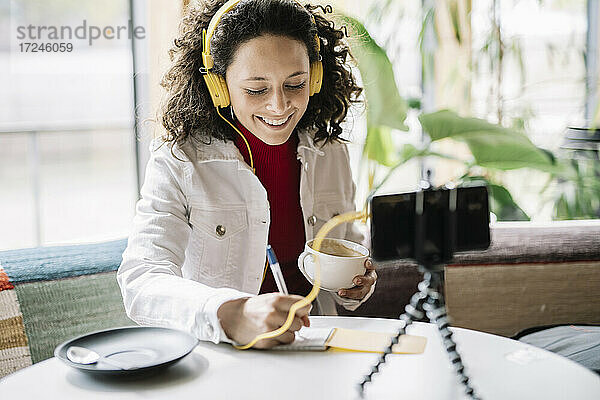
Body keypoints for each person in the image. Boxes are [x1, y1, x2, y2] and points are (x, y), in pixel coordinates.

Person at [117, 0, 377, 349]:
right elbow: (141, 280)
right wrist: (232, 313)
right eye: (256, 89)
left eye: (295, 84)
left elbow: (346, 245)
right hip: (221, 354)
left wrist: (355, 285)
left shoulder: (330, 153)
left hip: (314, 346)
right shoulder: (179, 160)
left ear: (314, 79)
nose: (279, 106)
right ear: (218, 86)